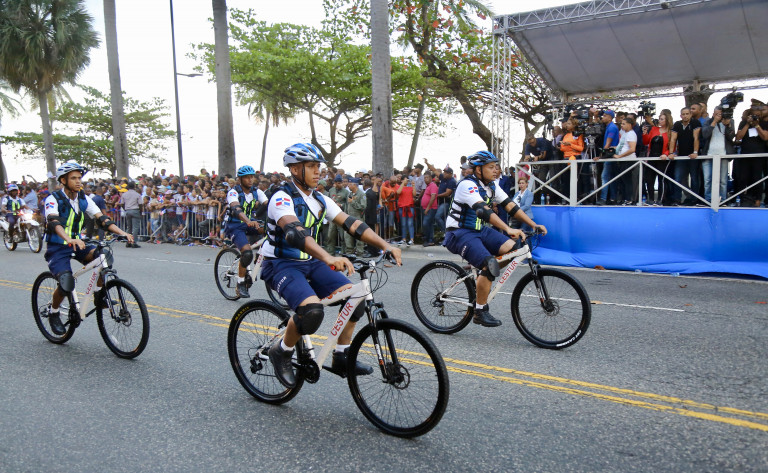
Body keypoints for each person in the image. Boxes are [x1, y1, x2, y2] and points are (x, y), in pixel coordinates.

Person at [261, 143, 402, 388]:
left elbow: (352, 224)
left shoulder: (320, 199)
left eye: (318, 166)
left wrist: (385, 245)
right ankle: (281, 351)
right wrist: (327, 257)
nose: (318, 171)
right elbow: (294, 232)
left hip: (311, 261)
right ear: (294, 169)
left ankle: (342, 356)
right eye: (311, 166)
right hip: (281, 264)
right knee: (311, 311)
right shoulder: (281, 198)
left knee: (355, 298)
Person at [443, 151, 547, 328]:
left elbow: (510, 206)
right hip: (459, 232)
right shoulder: (467, 185)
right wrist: (508, 228)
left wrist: (533, 224)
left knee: (514, 248)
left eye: (496, 167)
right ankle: (479, 311)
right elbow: (483, 210)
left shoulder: (491, 186)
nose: (496, 170)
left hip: (479, 230)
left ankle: (484, 274)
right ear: (478, 170)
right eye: (491, 167)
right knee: (490, 263)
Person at [42, 162, 133, 335]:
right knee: (66, 283)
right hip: (58, 247)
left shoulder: (83, 198)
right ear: (63, 180)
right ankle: (53, 313)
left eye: (79, 178)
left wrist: (122, 233)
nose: (78, 181)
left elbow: (102, 219)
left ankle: (99, 294)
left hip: (78, 243)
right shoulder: (53, 199)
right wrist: (69, 239)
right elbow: (53, 222)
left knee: (103, 255)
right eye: (73, 178)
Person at [225, 165, 268, 298]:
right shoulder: (233, 192)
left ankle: (260, 254)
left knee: (270, 231)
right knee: (247, 252)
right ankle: (240, 283)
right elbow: (236, 209)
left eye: (251, 177)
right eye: (246, 177)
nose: (250, 180)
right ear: (240, 179)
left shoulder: (257, 192)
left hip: (249, 222)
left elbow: (268, 204)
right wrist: (248, 220)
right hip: (235, 225)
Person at [701, 106, 736, 203]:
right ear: (713, 114)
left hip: (723, 154)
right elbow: (705, 135)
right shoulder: (708, 122)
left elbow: (731, 137)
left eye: (721, 114)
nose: (719, 116)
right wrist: (714, 122)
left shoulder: (729, 121)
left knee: (723, 180)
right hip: (708, 154)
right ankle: (708, 200)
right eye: (717, 114)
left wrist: (728, 125)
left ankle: (723, 200)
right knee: (707, 180)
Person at [668, 107, 702, 206]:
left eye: (687, 114)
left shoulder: (695, 123)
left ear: (690, 114)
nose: (685, 116)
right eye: (683, 114)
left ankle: (694, 199)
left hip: (693, 156)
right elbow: (673, 139)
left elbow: (696, 138)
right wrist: (671, 152)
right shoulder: (677, 124)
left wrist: (695, 152)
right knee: (678, 177)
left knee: (694, 178)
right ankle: (677, 199)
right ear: (680, 115)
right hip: (681, 155)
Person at [324, 175, 349, 253]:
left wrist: (341, 205)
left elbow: (348, 203)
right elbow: (327, 202)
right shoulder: (331, 190)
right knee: (331, 236)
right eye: (338, 183)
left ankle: (344, 252)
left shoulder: (346, 192)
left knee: (342, 236)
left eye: (341, 183)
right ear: (335, 183)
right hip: (332, 217)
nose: (340, 184)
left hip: (341, 216)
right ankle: (331, 252)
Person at [344, 178, 366, 255]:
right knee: (348, 236)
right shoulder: (349, 194)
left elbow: (363, 206)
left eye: (350, 184)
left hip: (358, 218)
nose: (348, 186)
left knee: (359, 236)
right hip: (349, 218)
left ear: (355, 185)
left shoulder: (361, 194)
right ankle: (349, 252)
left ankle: (360, 252)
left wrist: (353, 202)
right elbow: (347, 206)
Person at [120, 181, 142, 248]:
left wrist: (125, 209)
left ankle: (128, 241)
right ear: (134, 187)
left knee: (129, 227)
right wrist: (140, 211)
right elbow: (140, 204)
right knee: (135, 227)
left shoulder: (124, 194)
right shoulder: (137, 194)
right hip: (135, 210)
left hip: (128, 210)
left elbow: (122, 203)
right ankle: (133, 242)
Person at [396, 172, 415, 246]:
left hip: (410, 207)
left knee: (410, 223)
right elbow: (398, 192)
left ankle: (411, 239)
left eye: (407, 180)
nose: (406, 181)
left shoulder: (410, 187)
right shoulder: (399, 186)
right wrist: (402, 183)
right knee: (403, 224)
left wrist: (413, 186)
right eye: (405, 180)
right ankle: (404, 239)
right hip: (402, 207)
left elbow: (414, 194)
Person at [420, 171, 439, 246]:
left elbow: (433, 197)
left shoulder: (433, 185)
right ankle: (430, 240)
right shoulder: (428, 186)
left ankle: (426, 239)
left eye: (427, 177)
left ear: (431, 178)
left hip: (430, 208)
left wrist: (427, 208)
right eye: (424, 178)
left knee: (425, 224)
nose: (425, 179)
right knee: (430, 224)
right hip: (425, 208)